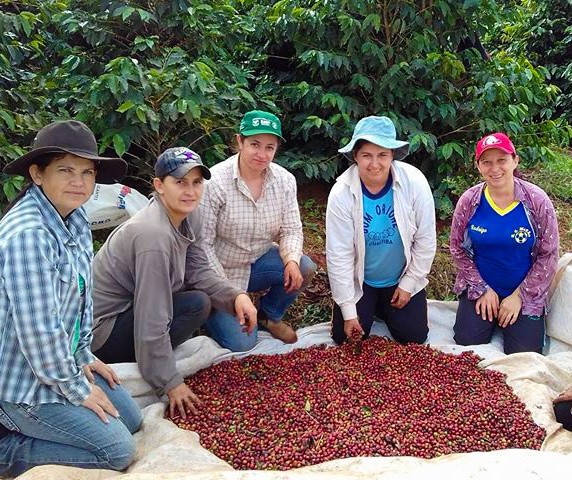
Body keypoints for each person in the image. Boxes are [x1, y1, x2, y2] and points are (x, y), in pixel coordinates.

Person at [0, 120, 142, 477]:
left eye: (86, 172)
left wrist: (83, 355)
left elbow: (78, 300)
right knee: (118, 451)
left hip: (56, 363)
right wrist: (77, 389)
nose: (78, 182)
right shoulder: (29, 236)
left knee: (132, 418)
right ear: (37, 173)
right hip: (22, 383)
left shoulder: (74, 218)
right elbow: (39, 330)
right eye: (65, 170)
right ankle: (7, 447)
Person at [91, 147, 257, 419]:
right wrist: (171, 382)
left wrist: (235, 296)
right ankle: (149, 364)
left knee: (199, 302)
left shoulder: (188, 214)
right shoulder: (153, 236)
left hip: (134, 310)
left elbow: (198, 269)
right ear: (159, 185)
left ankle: (153, 358)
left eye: (196, 183)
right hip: (103, 332)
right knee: (188, 307)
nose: (190, 191)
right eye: (180, 182)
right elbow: (151, 316)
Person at [200, 110, 317, 352]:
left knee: (304, 267)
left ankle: (269, 316)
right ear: (239, 142)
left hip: (258, 262)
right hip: (222, 271)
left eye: (269, 147)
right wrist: (232, 294)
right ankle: (208, 313)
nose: (262, 154)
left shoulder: (284, 180)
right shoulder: (216, 182)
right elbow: (202, 245)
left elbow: (292, 229)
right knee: (242, 343)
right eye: (255, 144)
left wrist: (291, 261)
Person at [326, 116, 436, 345]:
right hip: (362, 281)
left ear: (392, 155)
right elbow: (339, 255)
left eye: (382, 155)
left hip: (399, 277)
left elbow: (425, 240)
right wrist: (348, 311)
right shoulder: (341, 194)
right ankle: (369, 305)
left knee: (414, 337)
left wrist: (409, 284)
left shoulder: (414, 182)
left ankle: (386, 307)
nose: (374, 164)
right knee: (344, 338)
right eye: (366, 155)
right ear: (355, 156)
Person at [450, 132, 559, 354]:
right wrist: (482, 289)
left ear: (514, 160)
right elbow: (457, 248)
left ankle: (518, 316)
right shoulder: (470, 201)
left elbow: (548, 255)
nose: (495, 168)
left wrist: (520, 296)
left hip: (523, 289)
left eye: (502, 160)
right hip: (483, 286)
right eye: (487, 162)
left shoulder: (536, 201)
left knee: (525, 354)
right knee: (467, 343)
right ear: (478, 166)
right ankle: (485, 313)